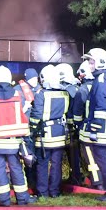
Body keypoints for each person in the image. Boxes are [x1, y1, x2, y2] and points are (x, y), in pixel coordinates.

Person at [0, 65, 37, 207]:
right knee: (17, 169)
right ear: (9, 78)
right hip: (13, 143)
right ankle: (22, 199)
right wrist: (26, 140)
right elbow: (24, 116)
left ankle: (4, 201)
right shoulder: (18, 95)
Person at [80, 48, 106, 201]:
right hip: (105, 128)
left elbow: (101, 107)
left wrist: (94, 129)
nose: (89, 65)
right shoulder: (105, 77)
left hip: (101, 130)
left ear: (100, 63)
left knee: (104, 161)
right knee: (104, 161)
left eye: (91, 62)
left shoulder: (102, 79)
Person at [30, 64, 69, 198]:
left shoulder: (41, 94)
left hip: (44, 135)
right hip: (59, 133)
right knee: (56, 163)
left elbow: (36, 116)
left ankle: (43, 193)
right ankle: (55, 191)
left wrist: (32, 130)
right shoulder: (65, 92)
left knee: (42, 163)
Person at [73, 60, 104, 190]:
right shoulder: (100, 85)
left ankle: (98, 183)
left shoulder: (82, 90)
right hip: (101, 128)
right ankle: (104, 180)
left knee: (90, 157)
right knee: (101, 156)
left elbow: (77, 113)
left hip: (87, 128)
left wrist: (78, 125)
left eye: (80, 73)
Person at [13, 68, 41, 188]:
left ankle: (37, 182)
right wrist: (24, 107)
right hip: (24, 130)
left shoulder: (39, 89)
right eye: (32, 79)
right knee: (28, 158)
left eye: (36, 78)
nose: (35, 81)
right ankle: (31, 183)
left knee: (37, 158)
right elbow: (14, 111)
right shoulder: (18, 91)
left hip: (37, 130)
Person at [56, 62, 81, 185]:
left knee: (70, 154)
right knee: (74, 155)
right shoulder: (76, 87)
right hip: (75, 127)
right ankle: (76, 176)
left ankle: (75, 178)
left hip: (67, 128)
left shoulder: (66, 90)